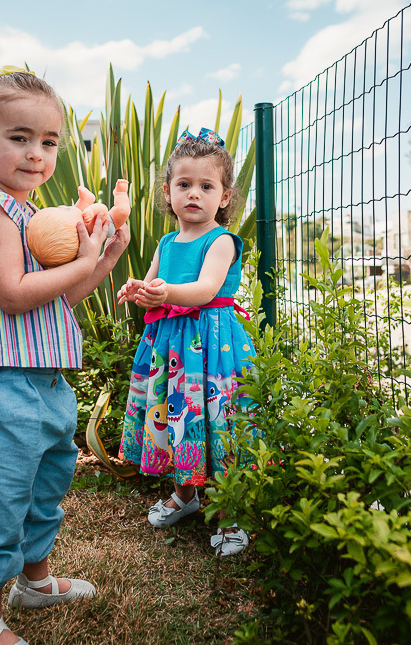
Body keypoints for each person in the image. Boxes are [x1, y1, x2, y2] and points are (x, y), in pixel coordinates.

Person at [0, 59, 130, 645]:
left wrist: (103, 257)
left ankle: (34, 581)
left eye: (47, 141)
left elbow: (63, 297)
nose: (35, 154)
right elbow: (13, 293)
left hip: (48, 381)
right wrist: (80, 258)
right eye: (18, 138)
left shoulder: (37, 216)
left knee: (45, 489)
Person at [116, 127, 254, 557]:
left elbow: (207, 289)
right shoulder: (165, 241)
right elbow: (157, 284)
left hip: (210, 344)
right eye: (184, 184)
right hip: (170, 345)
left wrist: (164, 293)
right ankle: (186, 494)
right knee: (175, 413)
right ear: (168, 192)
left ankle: (230, 510)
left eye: (206, 186)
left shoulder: (222, 241)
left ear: (225, 197)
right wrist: (139, 289)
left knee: (216, 419)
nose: (194, 194)